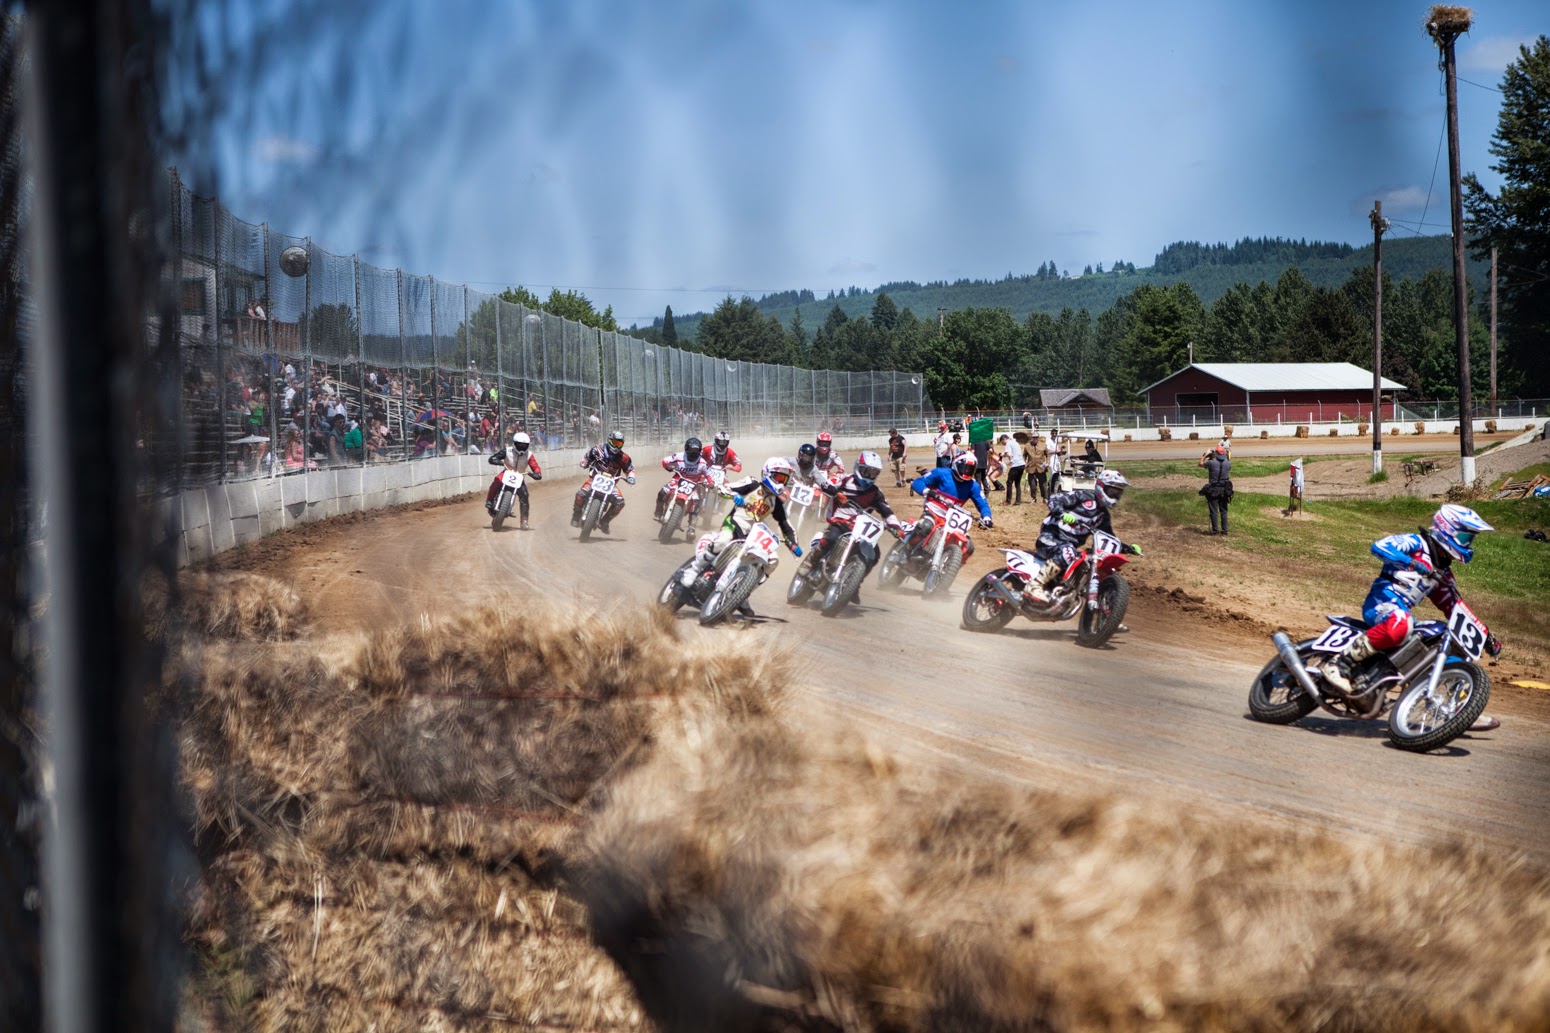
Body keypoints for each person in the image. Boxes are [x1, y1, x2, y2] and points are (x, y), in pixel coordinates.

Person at [1323, 506, 1501, 725]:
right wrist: (1412, 563)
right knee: (1402, 624)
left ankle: (1459, 707)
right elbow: (1379, 546)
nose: (1467, 544)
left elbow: (1454, 606)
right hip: (1382, 602)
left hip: (1402, 613)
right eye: (1465, 537)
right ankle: (1339, 663)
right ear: (1448, 529)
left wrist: (1484, 635)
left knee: (1444, 638)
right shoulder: (1417, 543)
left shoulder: (1442, 571)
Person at [678, 458, 803, 618]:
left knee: (772, 560)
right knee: (722, 541)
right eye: (779, 478)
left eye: (784, 479)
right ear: (768, 474)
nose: (781, 482)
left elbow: (786, 525)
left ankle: (743, 592)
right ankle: (694, 569)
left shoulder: (775, 502)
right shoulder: (752, 484)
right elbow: (723, 488)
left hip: (753, 536)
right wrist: (734, 496)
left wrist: (793, 544)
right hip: (735, 524)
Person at [1025, 469, 1141, 602]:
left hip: (1069, 546)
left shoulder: (1103, 517)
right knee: (1068, 552)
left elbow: (1108, 538)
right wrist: (1062, 514)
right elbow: (1054, 499)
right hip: (1050, 536)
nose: (1114, 496)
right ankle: (1035, 585)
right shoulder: (1083, 496)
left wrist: (1127, 548)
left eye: (1117, 493)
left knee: (1085, 560)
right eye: (1112, 491)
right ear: (1101, 486)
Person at [801, 451, 905, 589]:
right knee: (832, 537)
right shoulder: (844, 479)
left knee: (874, 554)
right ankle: (810, 561)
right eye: (866, 471)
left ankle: (854, 585)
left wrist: (896, 528)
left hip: (860, 529)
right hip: (840, 521)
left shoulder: (875, 492)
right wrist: (836, 493)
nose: (869, 475)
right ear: (858, 467)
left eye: (873, 473)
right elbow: (826, 485)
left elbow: (886, 511)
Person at [902, 454, 993, 562]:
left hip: (951, 520)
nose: (967, 471)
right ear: (956, 465)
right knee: (925, 526)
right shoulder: (941, 473)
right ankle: (905, 551)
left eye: (970, 469)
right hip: (933, 511)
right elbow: (919, 482)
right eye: (965, 467)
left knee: (968, 546)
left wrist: (987, 517)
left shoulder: (973, 486)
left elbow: (982, 503)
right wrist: (926, 491)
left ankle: (948, 567)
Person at [572, 430, 636, 534]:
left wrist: (631, 477)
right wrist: (585, 462)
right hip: (594, 479)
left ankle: (605, 521)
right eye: (614, 443)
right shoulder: (597, 450)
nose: (615, 446)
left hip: (611, 483)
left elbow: (629, 469)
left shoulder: (624, 458)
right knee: (580, 495)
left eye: (618, 444)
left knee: (620, 503)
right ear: (609, 440)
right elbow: (587, 457)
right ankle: (576, 515)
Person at [484, 431, 544, 528]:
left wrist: (537, 473)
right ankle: (489, 501)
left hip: (519, 477)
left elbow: (535, 466)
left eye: (524, 445)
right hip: (506, 473)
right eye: (519, 445)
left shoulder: (529, 455)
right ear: (515, 443)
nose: (522, 447)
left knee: (524, 495)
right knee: (496, 481)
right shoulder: (507, 451)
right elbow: (493, 458)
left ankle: (524, 520)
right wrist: (497, 461)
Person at [655, 436, 715, 522]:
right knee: (662, 492)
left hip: (693, 485)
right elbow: (665, 460)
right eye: (692, 450)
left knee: (697, 503)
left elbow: (709, 475)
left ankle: (692, 527)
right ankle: (658, 512)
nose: (694, 453)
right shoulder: (678, 456)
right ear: (687, 449)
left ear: (700, 451)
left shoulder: (703, 463)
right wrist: (668, 466)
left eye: (696, 451)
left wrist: (711, 482)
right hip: (676, 481)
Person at [1199, 441, 1232, 535]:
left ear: (1216, 454)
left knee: (1214, 511)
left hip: (1213, 489)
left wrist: (1205, 455)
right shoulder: (1228, 463)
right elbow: (1226, 464)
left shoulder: (1211, 463)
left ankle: (1215, 531)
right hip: (1224, 489)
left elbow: (1200, 464)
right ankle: (1224, 531)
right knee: (1224, 511)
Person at [999, 434, 1026, 505]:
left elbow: (1009, 454)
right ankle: (1018, 501)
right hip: (1022, 464)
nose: (1003, 444)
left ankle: (1008, 501)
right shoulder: (1015, 443)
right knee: (1017, 483)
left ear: (1004, 439)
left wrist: (1003, 455)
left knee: (1009, 482)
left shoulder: (1008, 443)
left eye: (1002, 442)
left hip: (1015, 464)